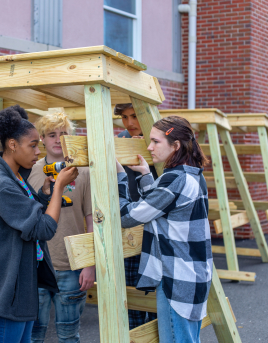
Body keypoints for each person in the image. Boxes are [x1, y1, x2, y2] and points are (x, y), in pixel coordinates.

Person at [0, 105, 79, 343]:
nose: (38, 151)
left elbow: (29, 215)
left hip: (22, 284)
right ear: (13, 145)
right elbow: (43, 228)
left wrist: (45, 195)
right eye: (33, 145)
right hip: (10, 289)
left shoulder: (16, 178)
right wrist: (58, 188)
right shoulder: (3, 185)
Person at [116, 115, 212, 343]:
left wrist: (120, 178)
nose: (149, 147)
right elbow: (162, 206)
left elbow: (128, 216)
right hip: (192, 275)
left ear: (175, 145)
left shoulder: (174, 180)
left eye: (156, 141)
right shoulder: (191, 175)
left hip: (177, 280)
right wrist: (146, 175)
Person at [28, 112, 95, 343]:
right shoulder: (31, 170)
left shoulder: (83, 170)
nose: (57, 139)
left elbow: (91, 220)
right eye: (51, 134)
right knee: (33, 335)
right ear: (42, 139)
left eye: (63, 134)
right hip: (37, 265)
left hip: (72, 265)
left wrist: (89, 264)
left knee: (68, 336)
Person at [114, 103, 158, 329]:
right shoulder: (119, 140)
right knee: (132, 293)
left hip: (155, 227)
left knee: (156, 297)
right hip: (127, 225)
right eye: (124, 117)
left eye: (134, 116)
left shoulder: (159, 142)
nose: (129, 123)